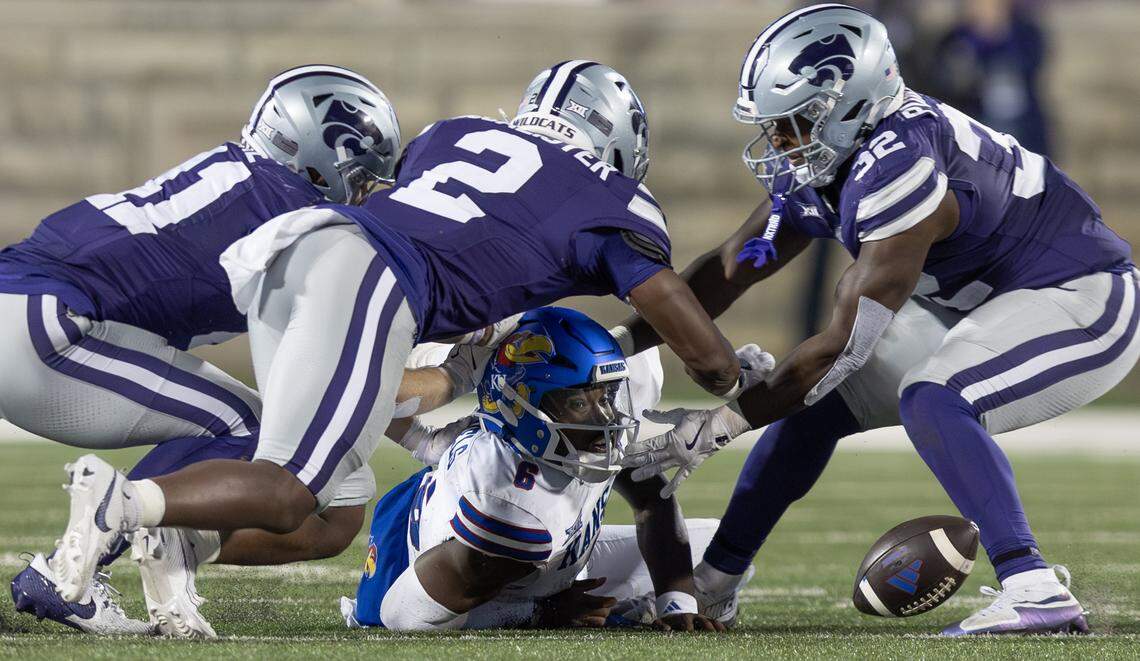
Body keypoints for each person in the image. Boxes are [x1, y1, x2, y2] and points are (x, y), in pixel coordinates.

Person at [48, 61, 756, 635]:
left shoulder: (456, 133)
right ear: (620, 147)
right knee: (292, 483)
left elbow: (424, 364)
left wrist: (457, 379)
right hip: (369, 273)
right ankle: (128, 502)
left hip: (304, 248)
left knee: (325, 497)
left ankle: (172, 536)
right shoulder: (611, 202)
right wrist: (727, 398)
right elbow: (700, 339)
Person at [619, 3, 1134, 636]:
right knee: (814, 407)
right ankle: (715, 582)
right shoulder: (838, 155)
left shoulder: (900, 164)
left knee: (934, 396)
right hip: (976, 300)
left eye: (794, 123)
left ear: (850, 105)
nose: (779, 142)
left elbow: (843, 346)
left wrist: (719, 425)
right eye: (775, 125)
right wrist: (620, 344)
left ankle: (1033, 589)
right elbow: (733, 266)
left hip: (1080, 294)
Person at [0, 64, 403, 633]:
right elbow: (333, 352)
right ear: (323, 155)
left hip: (29, 310)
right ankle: (74, 571)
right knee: (248, 427)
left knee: (251, 432)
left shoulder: (247, 180)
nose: (365, 193)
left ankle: (150, 550)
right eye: (362, 176)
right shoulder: (293, 217)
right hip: (44, 321)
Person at [347, 307, 729, 631]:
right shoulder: (510, 501)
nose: (607, 418)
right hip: (429, 574)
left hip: (548, 558)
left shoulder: (593, 427)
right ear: (524, 408)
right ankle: (612, 609)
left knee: (718, 551)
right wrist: (542, 612)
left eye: (606, 395)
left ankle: (625, 606)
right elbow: (402, 614)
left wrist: (678, 607)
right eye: (579, 404)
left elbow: (652, 499)